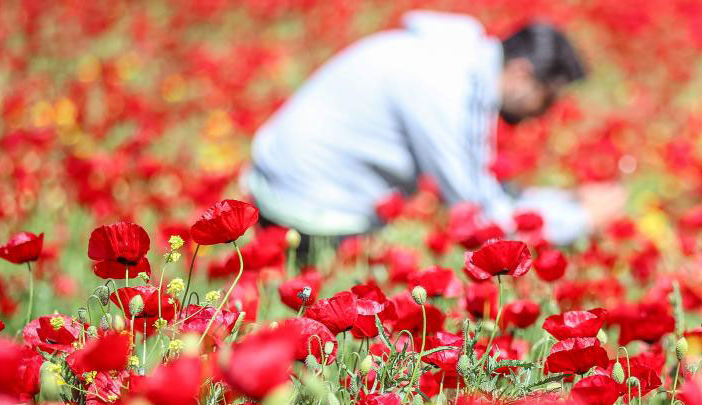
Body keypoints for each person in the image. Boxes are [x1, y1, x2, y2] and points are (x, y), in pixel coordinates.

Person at [244, 10, 625, 261]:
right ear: (522, 74)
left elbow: (480, 189)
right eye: (547, 99)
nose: (544, 113)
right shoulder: (445, 85)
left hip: (288, 187)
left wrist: (564, 200)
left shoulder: (455, 63)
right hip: (306, 213)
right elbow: (477, 213)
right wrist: (581, 220)